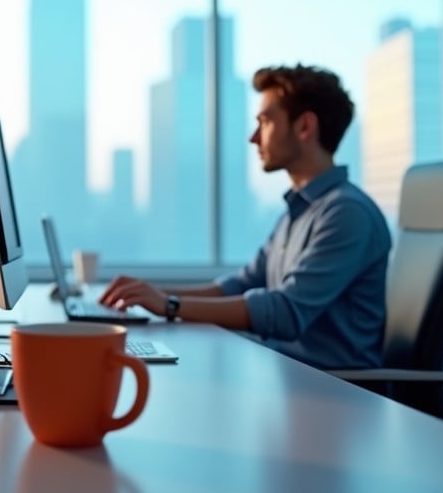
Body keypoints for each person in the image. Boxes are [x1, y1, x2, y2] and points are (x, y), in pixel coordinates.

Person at [99, 64, 392, 369]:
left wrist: (169, 306)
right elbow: (239, 285)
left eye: (265, 122)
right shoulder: (299, 212)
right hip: (290, 379)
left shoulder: (346, 214)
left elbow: (286, 313)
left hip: (339, 396)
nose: (254, 137)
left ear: (304, 127)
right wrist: (152, 295)